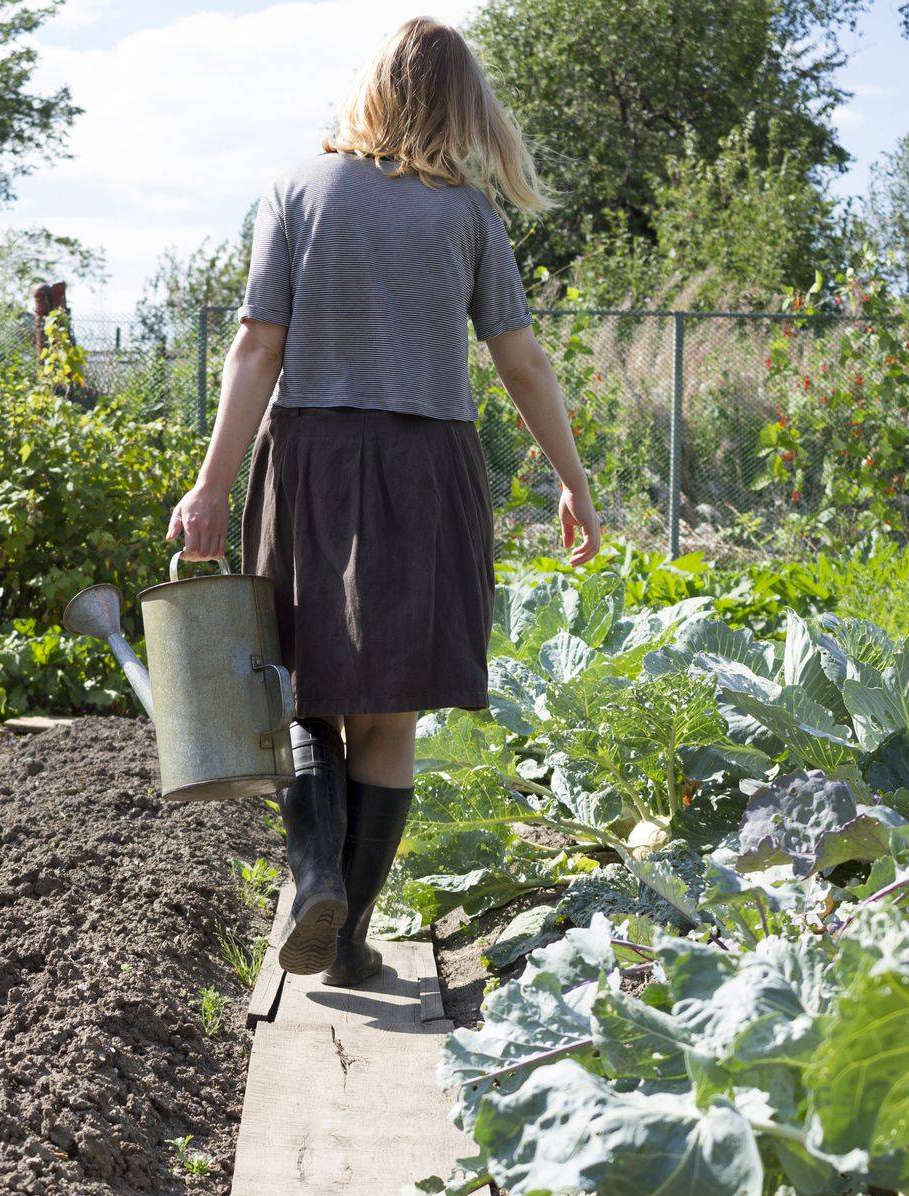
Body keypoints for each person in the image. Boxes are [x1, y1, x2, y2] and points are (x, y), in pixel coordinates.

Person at [167, 16, 601, 987]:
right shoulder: (470, 216)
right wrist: (573, 482)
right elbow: (524, 363)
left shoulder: (297, 189)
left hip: (311, 456)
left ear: (368, 88)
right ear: (465, 108)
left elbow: (256, 351)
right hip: (425, 471)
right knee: (392, 717)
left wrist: (209, 487)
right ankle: (351, 936)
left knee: (303, 691)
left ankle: (315, 871)